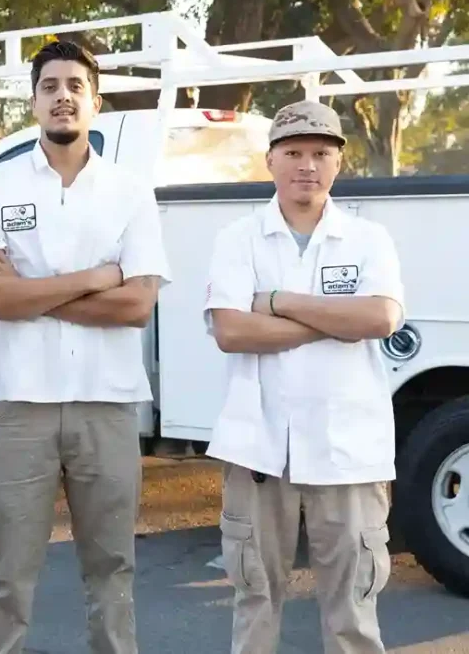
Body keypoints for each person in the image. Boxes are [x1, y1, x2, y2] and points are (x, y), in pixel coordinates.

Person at [0, 41, 172, 654]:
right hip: (19, 402)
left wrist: (25, 290)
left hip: (107, 403)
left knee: (112, 569)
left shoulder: (129, 192)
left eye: (75, 85)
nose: (63, 96)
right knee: (8, 575)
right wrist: (93, 278)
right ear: (33, 103)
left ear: (94, 102)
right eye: (49, 86)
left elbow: (135, 306)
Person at [203, 100, 404, 654]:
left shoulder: (369, 240)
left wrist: (279, 302)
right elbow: (232, 332)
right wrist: (334, 322)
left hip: (348, 452)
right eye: (293, 151)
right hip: (258, 449)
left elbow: (380, 318)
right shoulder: (237, 238)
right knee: (255, 605)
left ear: (339, 163)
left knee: (353, 613)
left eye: (321, 152)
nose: (306, 164)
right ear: (270, 160)